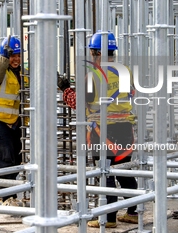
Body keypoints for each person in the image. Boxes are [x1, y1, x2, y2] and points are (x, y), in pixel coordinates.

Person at [57, 31, 138, 228]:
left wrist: (65, 89)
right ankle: (133, 212)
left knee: (105, 173)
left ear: (95, 52)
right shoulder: (124, 71)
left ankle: (107, 218)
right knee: (124, 171)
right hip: (125, 128)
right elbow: (132, 93)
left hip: (103, 131)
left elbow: (78, 102)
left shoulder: (94, 75)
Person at [0, 35, 22, 206]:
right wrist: (3, 59)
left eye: (18, 55)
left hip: (16, 123)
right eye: (12, 55)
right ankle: (7, 198)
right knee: (4, 160)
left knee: (16, 159)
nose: (16, 59)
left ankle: (10, 194)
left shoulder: (22, 74)